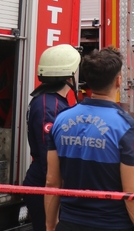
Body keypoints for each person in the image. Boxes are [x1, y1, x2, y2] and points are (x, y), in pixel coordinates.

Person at [45, 47, 134, 231]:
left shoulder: (61, 120)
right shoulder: (124, 126)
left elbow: (52, 182)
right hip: (112, 225)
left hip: (69, 223)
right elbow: (132, 192)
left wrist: (50, 226)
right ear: (118, 81)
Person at [23, 45, 80, 231]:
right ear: (69, 75)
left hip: (48, 184)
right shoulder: (50, 106)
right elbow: (49, 158)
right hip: (45, 186)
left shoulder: (49, 100)